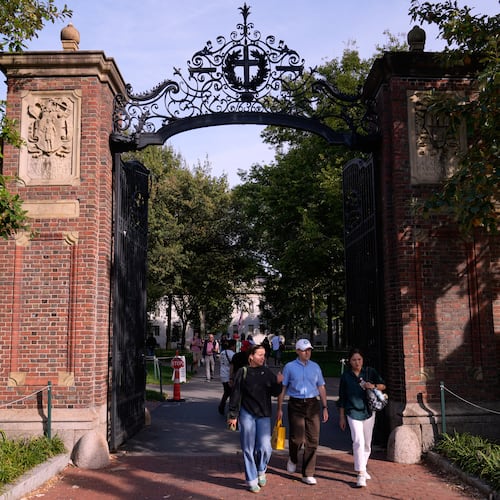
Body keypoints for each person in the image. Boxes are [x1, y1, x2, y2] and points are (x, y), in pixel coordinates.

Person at [227, 344, 284, 493]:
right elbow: (236, 394)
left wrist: (278, 382)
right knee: (248, 448)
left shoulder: (267, 372)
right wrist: (233, 415)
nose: (262, 358)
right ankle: (251, 480)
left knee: (265, 447)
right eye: (260, 355)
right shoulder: (243, 371)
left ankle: (261, 469)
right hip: (247, 414)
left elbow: (275, 392)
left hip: (263, 413)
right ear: (251, 356)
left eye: (264, 355)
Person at [277, 338, 328, 486]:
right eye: (304, 350)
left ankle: (308, 473)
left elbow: (321, 387)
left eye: (309, 350)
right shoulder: (290, 367)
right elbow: (283, 388)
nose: (307, 353)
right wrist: (279, 408)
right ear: (297, 351)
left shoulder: (315, 367)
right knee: (297, 438)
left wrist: (325, 406)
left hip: (313, 404)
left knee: (313, 439)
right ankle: (293, 457)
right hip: (296, 403)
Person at [337, 347, 386, 488]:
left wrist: (373, 385)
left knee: (366, 443)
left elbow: (383, 385)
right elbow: (342, 398)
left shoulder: (370, 372)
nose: (357, 362)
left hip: (369, 411)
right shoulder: (346, 376)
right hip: (352, 411)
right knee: (358, 440)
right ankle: (360, 473)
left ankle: (363, 467)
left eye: (359, 359)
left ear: (362, 360)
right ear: (349, 361)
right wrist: (341, 417)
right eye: (354, 360)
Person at [218, 339, 236, 415]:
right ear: (232, 346)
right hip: (229, 375)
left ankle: (222, 407)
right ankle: (229, 409)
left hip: (222, 374)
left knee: (226, 392)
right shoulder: (232, 354)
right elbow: (233, 365)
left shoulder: (222, 353)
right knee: (231, 393)